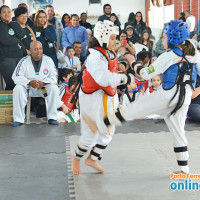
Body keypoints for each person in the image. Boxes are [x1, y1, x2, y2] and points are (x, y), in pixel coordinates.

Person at [84, 20, 200, 174]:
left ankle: (102, 123)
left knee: (133, 110)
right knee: (179, 132)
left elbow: (145, 75)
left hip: (167, 97)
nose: (162, 40)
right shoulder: (195, 54)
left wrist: (133, 62)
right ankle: (184, 170)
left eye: (164, 37)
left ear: (172, 38)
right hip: (184, 100)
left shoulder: (168, 56)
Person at [71, 20, 135, 175]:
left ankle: (92, 159)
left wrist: (118, 67)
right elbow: (102, 78)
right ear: (103, 38)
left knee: (108, 132)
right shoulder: (95, 56)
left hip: (107, 96)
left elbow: (108, 69)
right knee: (90, 137)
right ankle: (76, 158)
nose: (116, 41)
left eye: (115, 38)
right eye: (112, 38)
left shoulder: (109, 52)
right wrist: (124, 79)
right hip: (91, 98)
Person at [11, 41, 62, 126]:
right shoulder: (24, 61)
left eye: (40, 49)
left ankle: (52, 117)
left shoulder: (48, 60)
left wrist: (44, 83)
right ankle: (18, 119)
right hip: (28, 89)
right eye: (35, 49)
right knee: (18, 89)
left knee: (54, 88)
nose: (39, 51)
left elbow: (54, 76)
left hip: (43, 89)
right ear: (30, 50)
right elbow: (15, 77)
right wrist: (29, 82)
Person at [0, 5, 26, 90]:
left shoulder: (14, 24)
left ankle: (20, 103)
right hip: (6, 59)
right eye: (4, 12)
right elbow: (6, 41)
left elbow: (22, 34)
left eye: (8, 12)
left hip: (19, 57)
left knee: (20, 82)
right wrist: (18, 39)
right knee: (11, 83)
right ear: (0, 14)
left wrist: (11, 23)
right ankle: (9, 103)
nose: (7, 14)